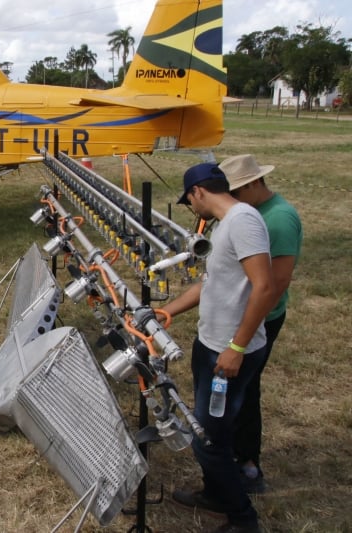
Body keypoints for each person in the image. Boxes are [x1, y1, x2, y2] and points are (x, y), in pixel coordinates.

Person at [162, 162, 276, 533]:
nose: (192, 209)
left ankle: (243, 520)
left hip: (227, 352)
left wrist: (236, 348)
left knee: (207, 440)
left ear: (198, 192)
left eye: (189, 201)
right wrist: (167, 311)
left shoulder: (242, 221)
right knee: (217, 431)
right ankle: (215, 494)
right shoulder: (227, 224)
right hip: (212, 345)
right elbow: (211, 283)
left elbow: (265, 287)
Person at [219, 154, 303, 494]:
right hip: (245, 316)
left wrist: (244, 335)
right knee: (237, 387)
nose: (233, 201)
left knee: (245, 388)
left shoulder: (278, 219)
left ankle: (247, 464)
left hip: (260, 319)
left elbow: (276, 282)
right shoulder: (250, 212)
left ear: (255, 183)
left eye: (237, 193)